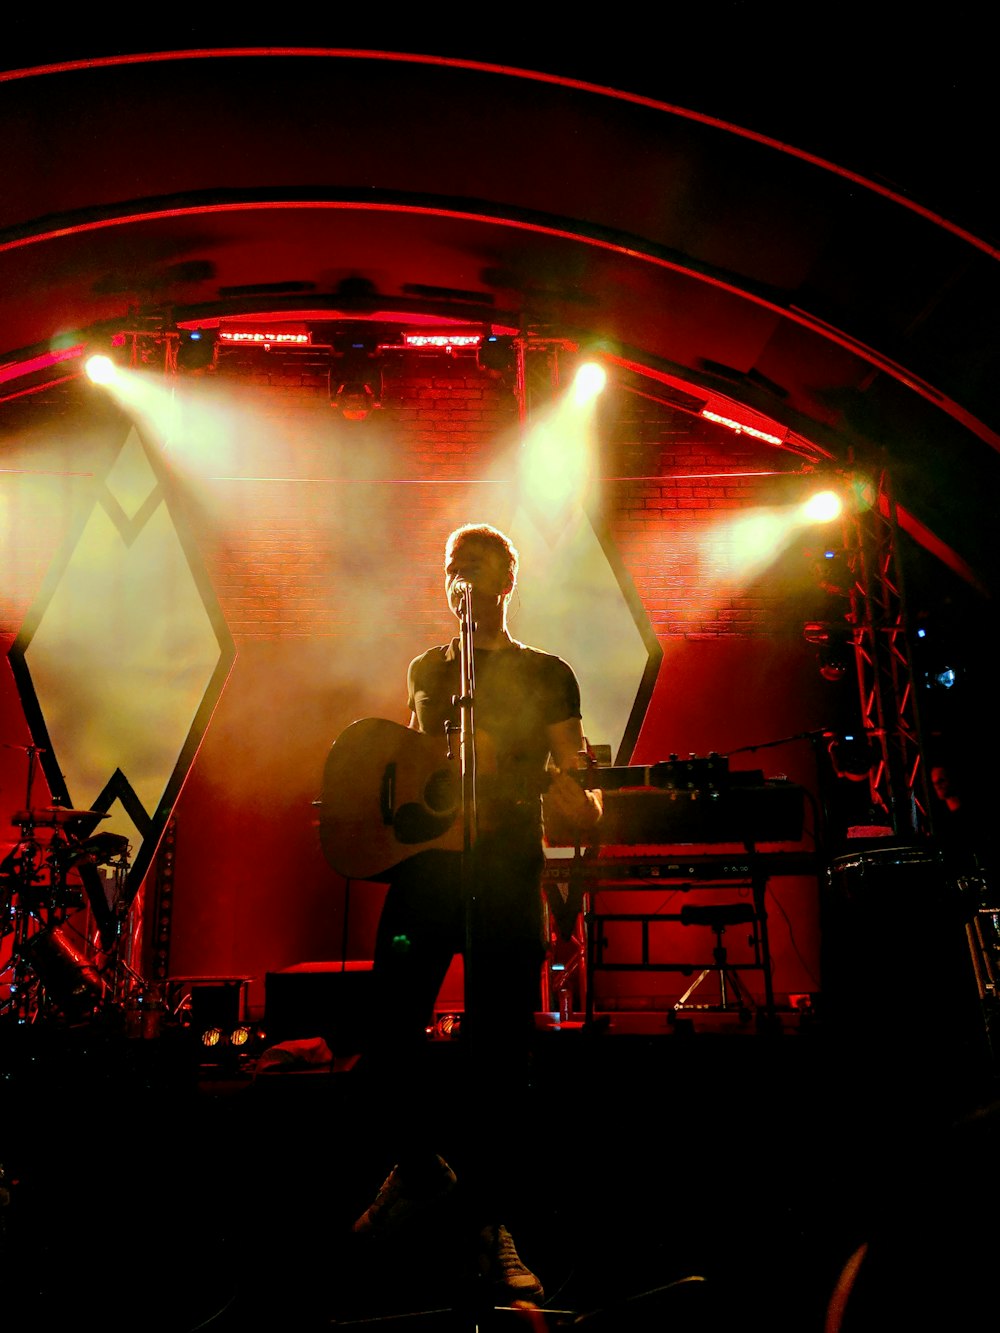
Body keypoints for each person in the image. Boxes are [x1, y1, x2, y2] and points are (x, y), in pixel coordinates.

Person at [349, 522, 602, 1308]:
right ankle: (422, 1171)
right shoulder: (429, 667)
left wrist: (583, 806)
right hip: (426, 872)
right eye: (456, 566)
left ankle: (490, 1222)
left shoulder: (546, 673)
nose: (467, 579)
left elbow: (580, 771)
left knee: (501, 1053)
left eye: (482, 567)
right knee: (386, 1032)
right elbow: (409, 763)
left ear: (507, 581)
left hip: (503, 871)